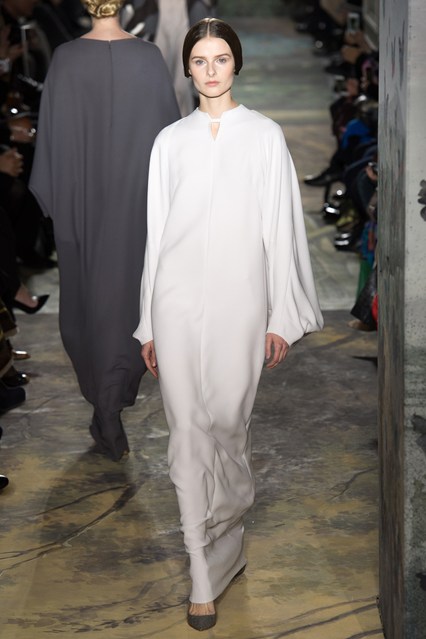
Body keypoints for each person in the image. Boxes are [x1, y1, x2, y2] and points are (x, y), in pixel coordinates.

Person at [133, 18, 324, 631]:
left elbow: (281, 229)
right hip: (176, 301)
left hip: (241, 302)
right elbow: (156, 236)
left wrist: (281, 314)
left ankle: (230, 526)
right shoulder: (170, 142)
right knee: (187, 433)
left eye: (220, 59)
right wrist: (148, 322)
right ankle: (200, 571)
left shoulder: (264, 136)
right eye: (199, 60)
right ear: (187, 68)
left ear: (236, 63)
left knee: (226, 426)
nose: (210, 71)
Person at [29, 0, 180, 461]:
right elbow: (171, 142)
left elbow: (50, 141)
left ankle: (105, 404)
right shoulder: (148, 58)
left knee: (89, 303)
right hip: (138, 205)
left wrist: (57, 202)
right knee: (131, 299)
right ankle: (111, 402)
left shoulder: (66, 59)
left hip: (83, 206)